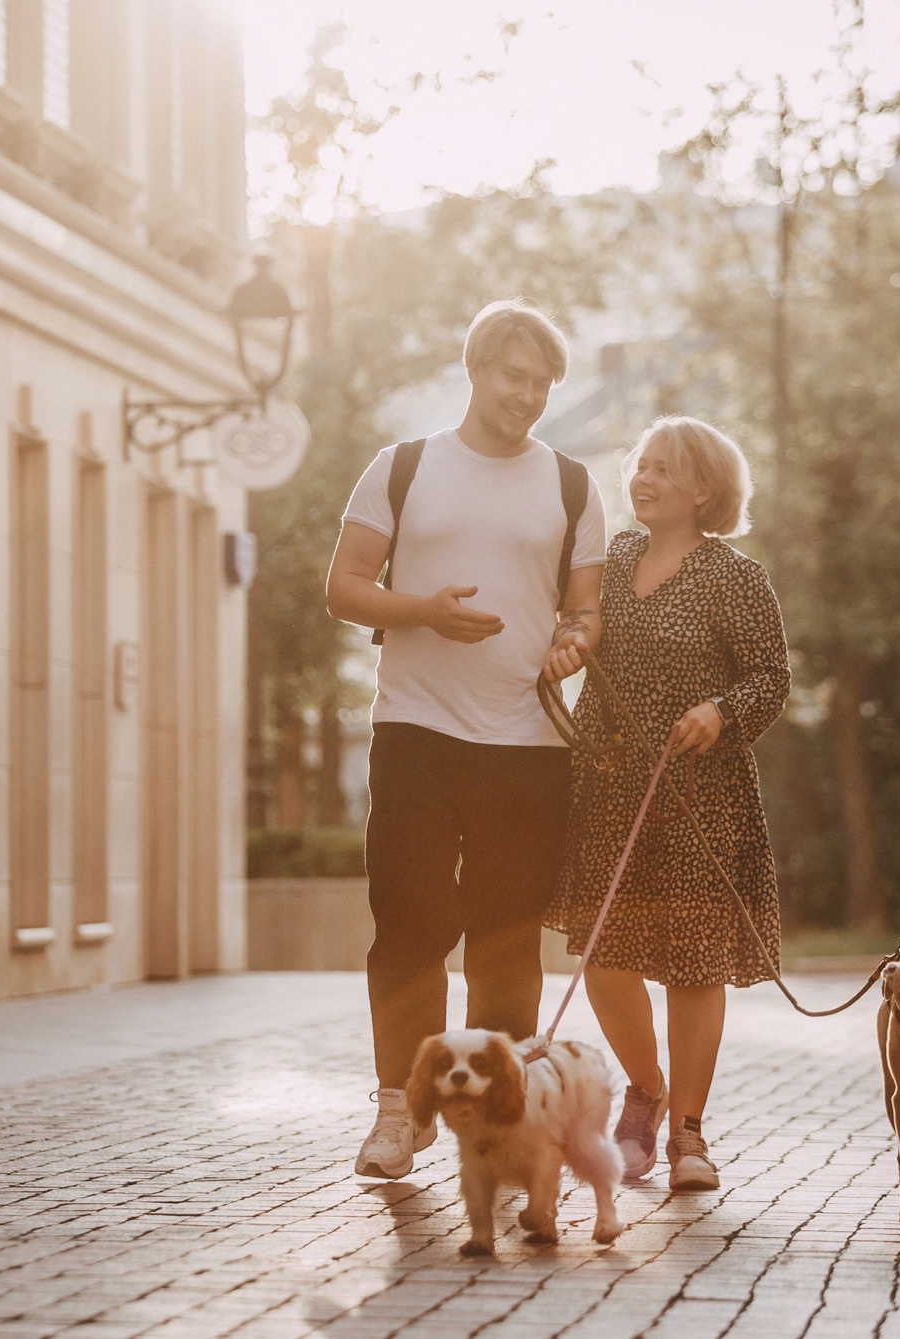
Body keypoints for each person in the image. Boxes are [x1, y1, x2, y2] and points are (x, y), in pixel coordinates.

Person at [325, 299, 608, 1180]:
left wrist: (575, 643)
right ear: (476, 369)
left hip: (527, 744)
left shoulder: (571, 483)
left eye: (541, 382)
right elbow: (343, 587)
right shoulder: (403, 468)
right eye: (512, 375)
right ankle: (397, 1116)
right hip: (416, 729)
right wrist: (424, 615)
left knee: (505, 944)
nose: (526, 394)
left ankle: (498, 1123)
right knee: (407, 926)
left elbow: (587, 608)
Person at [542, 416, 790, 1192]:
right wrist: (568, 645)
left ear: (704, 489)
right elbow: (578, 626)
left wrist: (720, 711)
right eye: (639, 465)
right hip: (610, 787)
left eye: (662, 469)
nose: (641, 479)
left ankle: (687, 1130)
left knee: (692, 966)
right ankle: (644, 1087)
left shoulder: (736, 578)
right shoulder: (608, 561)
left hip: (697, 794)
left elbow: (771, 678)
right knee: (606, 957)